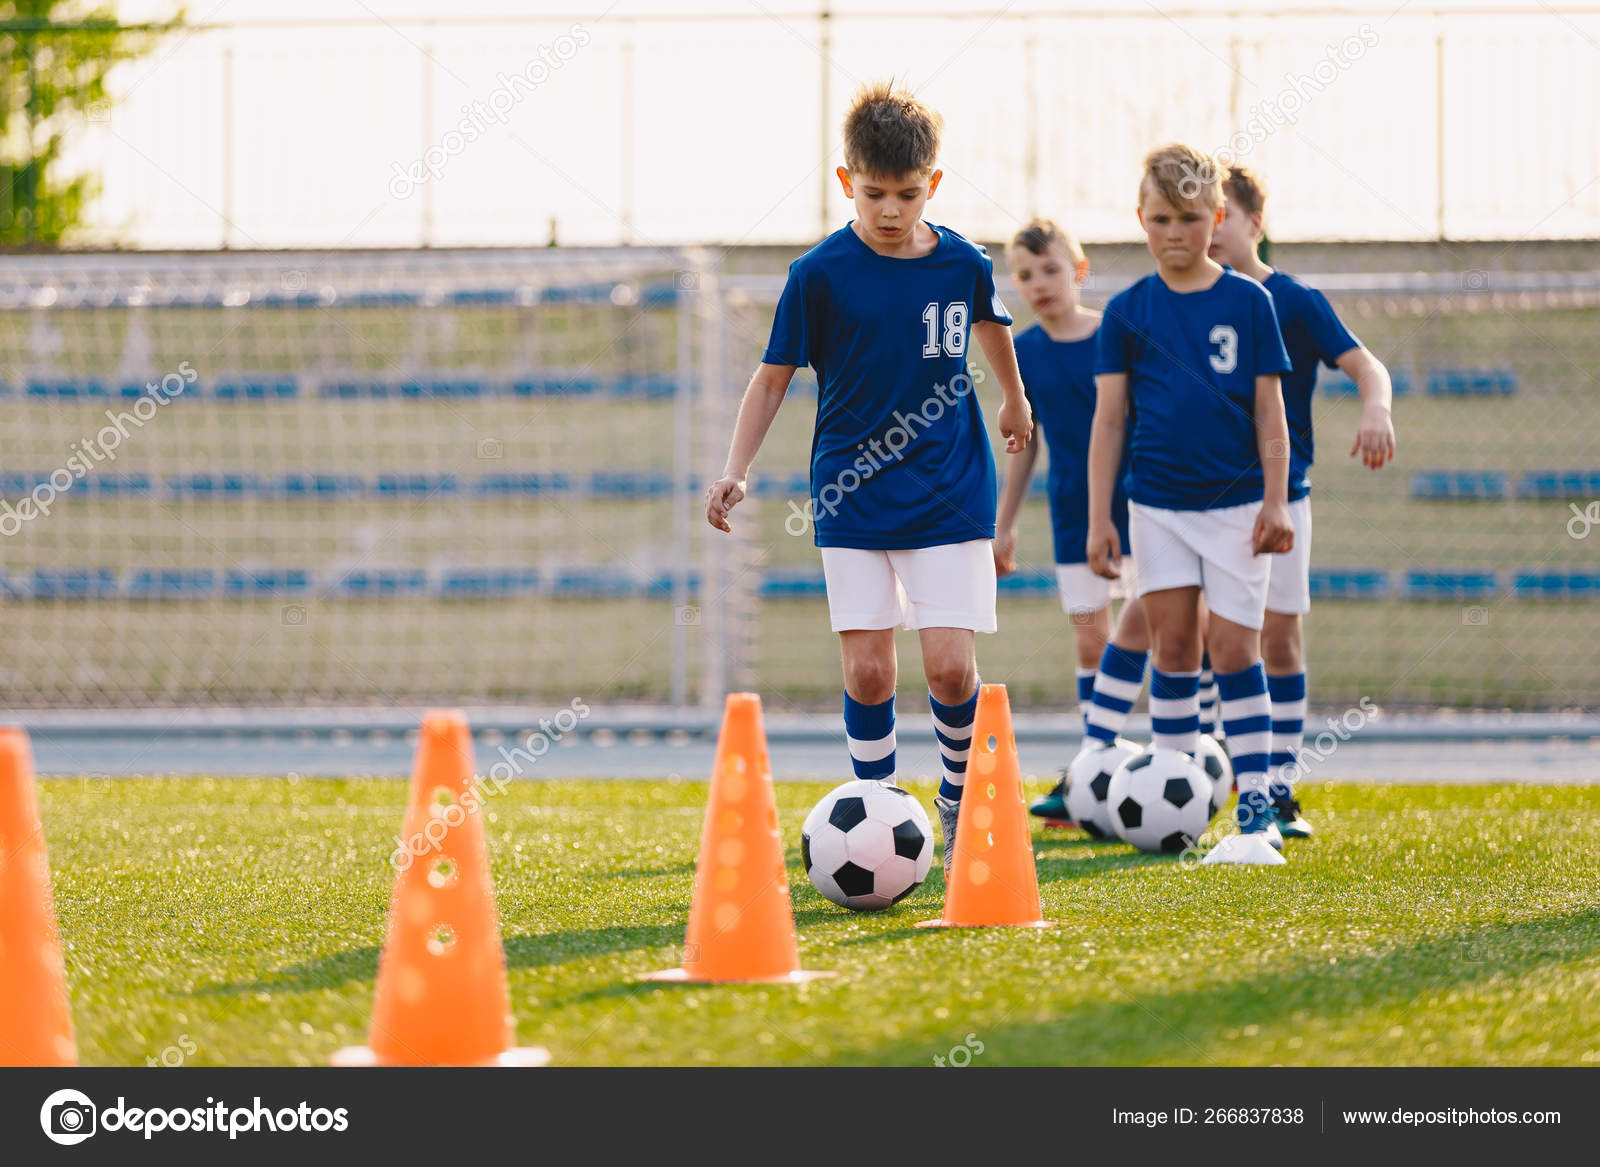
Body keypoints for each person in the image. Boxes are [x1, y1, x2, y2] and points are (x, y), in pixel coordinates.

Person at [704, 80, 1033, 880]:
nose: (891, 209)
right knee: (870, 669)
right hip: (850, 490)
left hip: (951, 484)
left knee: (952, 665)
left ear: (935, 185)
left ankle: (955, 803)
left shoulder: (963, 260)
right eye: (876, 192)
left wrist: (1016, 398)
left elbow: (990, 326)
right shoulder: (818, 273)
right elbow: (772, 378)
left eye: (909, 194)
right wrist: (734, 469)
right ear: (847, 180)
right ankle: (878, 811)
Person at [1087, 144, 1294, 863]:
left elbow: (1271, 413)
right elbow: (1109, 421)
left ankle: (1259, 806)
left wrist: (1276, 501)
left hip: (1239, 508)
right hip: (1158, 508)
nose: (1174, 232)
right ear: (1140, 219)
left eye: (1189, 217)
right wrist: (1100, 518)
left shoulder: (1250, 302)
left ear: (1218, 217)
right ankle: (1176, 792)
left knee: (1235, 648)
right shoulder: (1126, 312)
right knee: (1172, 645)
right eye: (1160, 218)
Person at [1207, 165, 1397, 839]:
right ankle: (1201, 779)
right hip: (1198, 500)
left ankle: (1279, 783)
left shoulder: (1293, 300)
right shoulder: (1182, 301)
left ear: (1255, 222)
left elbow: (1367, 365)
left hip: (1281, 499)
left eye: (1222, 211)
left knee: (1278, 638)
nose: (1209, 224)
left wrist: (1376, 408)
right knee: (1208, 641)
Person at [994, 218, 1136, 824]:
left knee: (1178, 635)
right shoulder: (1021, 353)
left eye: (1051, 269)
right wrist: (1005, 526)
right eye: (1025, 275)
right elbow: (1024, 445)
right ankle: (1096, 767)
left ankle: (1197, 756)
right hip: (1074, 518)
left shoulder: (1117, 335)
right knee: (1089, 635)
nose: (1040, 283)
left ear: (1078, 271)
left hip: (1143, 512)